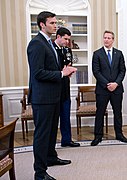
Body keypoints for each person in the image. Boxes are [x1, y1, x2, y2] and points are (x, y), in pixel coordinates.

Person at [27, 11, 77, 180]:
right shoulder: (36, 44)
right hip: (42, 99)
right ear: (42, 24)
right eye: (52, 23)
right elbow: (38, 73)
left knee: (50, 132)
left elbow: (53, 69)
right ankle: (40, 173)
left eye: (56, 23)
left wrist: (63, 72)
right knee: (42, 134)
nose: (56, 25)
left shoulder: (48, 43)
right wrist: (61, 74)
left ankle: (51, 157)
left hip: (53, 96)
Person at [91, 30, 127, 146]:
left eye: (109, 38)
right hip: (102, 89)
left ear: (113, 40)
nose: (106, 40)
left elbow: (122, 70)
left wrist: (116, 84)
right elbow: (96, 72)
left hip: (117, 89)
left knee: (118, 113)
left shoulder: (119, 53)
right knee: (100, 113)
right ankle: (98, 136)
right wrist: (107, 84)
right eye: (105, 37)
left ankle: (119, 134)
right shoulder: (97, 54)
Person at [53, 27, 80, 147]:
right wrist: (62, 70)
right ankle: (50, 144)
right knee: (53, 120)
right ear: (58, 37)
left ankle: (67, 140)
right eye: (65, 39)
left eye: (69, 39)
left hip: (65, 88)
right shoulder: (50, 49)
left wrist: (68, 71)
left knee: (65, 116)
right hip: (53, 89)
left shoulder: (67, 50)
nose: (67, 42)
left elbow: (68, 64)